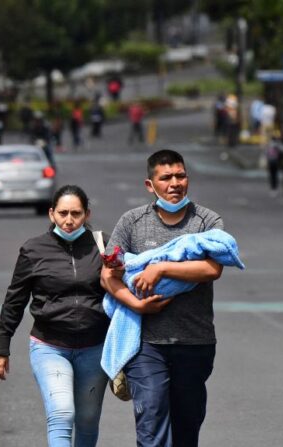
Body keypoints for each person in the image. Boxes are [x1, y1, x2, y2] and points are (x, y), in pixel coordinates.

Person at [100, 149, 226, 447]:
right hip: (146, 345)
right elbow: (108, 275)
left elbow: (213, 268)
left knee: (186, 427)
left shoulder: (206, 221)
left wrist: (161, 268)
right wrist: (136, 304)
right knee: (151, 425)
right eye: (165, 177)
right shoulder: (132, 222)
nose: (174, 183)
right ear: (150, 185)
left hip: (195, 341)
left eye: (180, 176)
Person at [0, 185, 110, 447]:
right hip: (50, 347)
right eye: (63, 213)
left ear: (87, 214)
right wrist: (2, 346)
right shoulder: (33, 250)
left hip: (95, 348)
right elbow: (15, 300)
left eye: (76, 214)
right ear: (51, 214)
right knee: (62, 413)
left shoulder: (103, 245)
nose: (69, 220)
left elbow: (120, 292)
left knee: (88, 419)